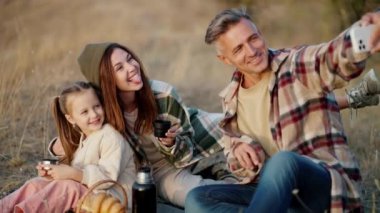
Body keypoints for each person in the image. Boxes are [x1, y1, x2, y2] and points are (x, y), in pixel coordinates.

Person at [185, 8, 380, 213]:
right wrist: (239, 149)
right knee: (198, 199)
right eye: (238, 49)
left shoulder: (294, 65)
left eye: (253, 38)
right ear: (225, 59)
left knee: (283, 161)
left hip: (323, 188)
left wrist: (367, 34)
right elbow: (237, 161)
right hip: (277, 197)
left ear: (260, 33)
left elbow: (331, 57)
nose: (251, 51)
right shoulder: (231, 99)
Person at [49, 42, 231, 209]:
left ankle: (240, 178)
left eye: (130, 59)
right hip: (157, 172)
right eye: (119, 68)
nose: (132, 67)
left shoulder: (163, 95)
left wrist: (170, 143)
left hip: (186, 145)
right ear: (107, 80)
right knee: (195, 195)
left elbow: (185, 154)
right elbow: (83, 136)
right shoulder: (101, 110)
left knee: (242, 126)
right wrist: (59, 147)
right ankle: (224, 178)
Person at [0, 81, 136, 212]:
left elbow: (107, 179)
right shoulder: (86, 139)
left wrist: (72, 173)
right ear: (71, 119)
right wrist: (53, 174)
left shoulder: (111, 137)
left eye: (97, 106)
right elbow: (79, 176)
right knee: (36, 183)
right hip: (91, 196)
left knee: (67, 188)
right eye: (85, 112)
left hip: (112, 202)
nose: (94, 114)